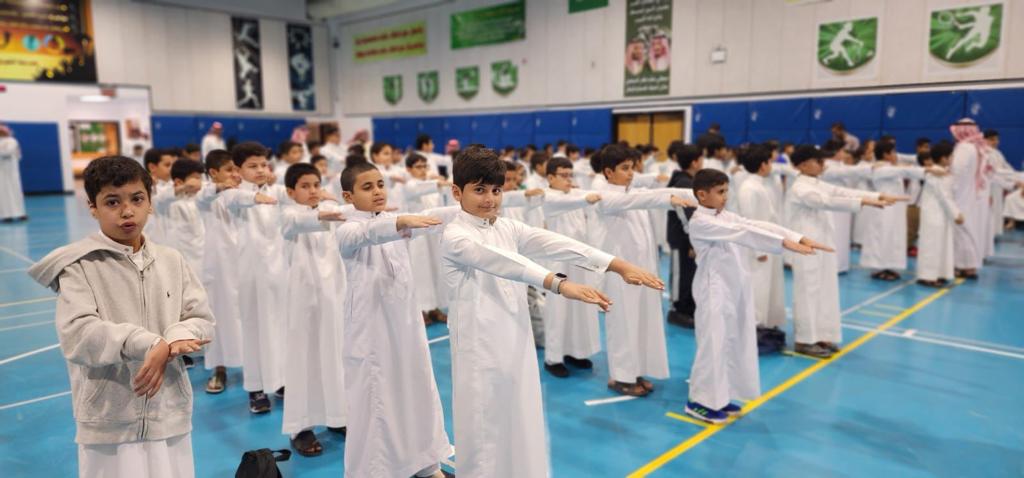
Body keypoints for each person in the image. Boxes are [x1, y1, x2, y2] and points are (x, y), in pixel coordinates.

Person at [440, 146, 664, 477]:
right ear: (457, 192)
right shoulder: (456, 235)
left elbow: (553, 242)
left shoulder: (505, 226)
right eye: (479, 190)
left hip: (515, 337)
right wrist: (559, 283)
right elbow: (505, 262)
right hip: (479, 347)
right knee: (485, 425)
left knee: (520, 415)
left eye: (496, 190)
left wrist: (617, 265)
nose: (489, 199)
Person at [27, 156, 214, 478]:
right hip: (109, 420)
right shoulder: (79, 267)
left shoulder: (172, 260)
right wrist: (146, 343)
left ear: (150, 202)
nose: (127, 211)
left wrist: (179, 335)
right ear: (93, 208)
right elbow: (79, 334)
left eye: (137, 199)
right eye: (112, 202)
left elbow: (200, 316)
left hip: (168, 411)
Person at [335, 161, 453, 478]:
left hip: (406, 326)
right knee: (376, 399)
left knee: (416, 388)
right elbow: (367, 233)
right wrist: (400, 220)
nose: (377, 192)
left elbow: (434, 220)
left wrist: (470, 206)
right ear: (348, 196)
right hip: (371, 332)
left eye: (380, 184)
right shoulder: (347, 228)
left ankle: (426, 463)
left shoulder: (391, 220)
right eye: (367, 187)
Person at [687, 168, 824, 423]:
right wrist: (783, 244)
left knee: (731, 341)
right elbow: (744, 234)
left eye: (727, 191)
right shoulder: (701, 221)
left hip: (733, 288)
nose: (725, 196)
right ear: (702, 195)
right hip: (713, 290)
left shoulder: (724, 215)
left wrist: (795, 235)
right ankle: (699, 401)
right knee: (712, 344)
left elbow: (752, 224)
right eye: (720, 192)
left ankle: (721, 396)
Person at [595, 144, 695, 396]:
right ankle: (621, 377)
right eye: (625, 168)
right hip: (619, 273)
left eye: (632, 167)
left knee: (640, 322)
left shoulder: (632, 191)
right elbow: (641, 199)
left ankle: (635, 370)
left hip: (641, 271)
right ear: (608, 171)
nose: (631, 173)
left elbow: (658, 191)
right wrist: (666, 199)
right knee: (623, 323)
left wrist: (697, 191)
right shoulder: (604, 194)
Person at [785, 145, 897, 358]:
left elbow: (841, 191)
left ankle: (822, 335)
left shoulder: (816, 183)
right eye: (818, 160)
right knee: (808, 292)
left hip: (824, 245)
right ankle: (804, 340)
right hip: (806, 247)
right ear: (802, 164)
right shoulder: (800, 187)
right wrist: (863, 201)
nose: (823, 164)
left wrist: (877, 195)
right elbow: (826, 201)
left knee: (826, 291)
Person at [279, 163, 349, 456]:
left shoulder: (330, 212)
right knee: (304, 358)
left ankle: (337, 416)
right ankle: (301, 427)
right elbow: (297, 223)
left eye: (316, 185)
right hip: (303, 303)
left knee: (335, 354)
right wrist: (333, 211)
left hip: (333, 298)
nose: (312, 191)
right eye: (305, 186)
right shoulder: (288, 215)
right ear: (290, 191)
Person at [222, 142, 290, 413]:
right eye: (253, 166)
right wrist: (254, 197)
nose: (261, 170)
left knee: (281, 326)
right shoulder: (233, 195)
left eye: (263, 165)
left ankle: (282, 378)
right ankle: (256, 388)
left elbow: (299, 196)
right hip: (251, 274)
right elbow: (234, 200)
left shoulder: (278, 191)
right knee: (254, 328)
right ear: (238, 170)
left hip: (280, 271)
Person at [540, 156, 604, 377]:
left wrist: (583, 195)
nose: (568, 180)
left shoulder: (573, 194)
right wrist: (586, 197)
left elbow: (581, 199)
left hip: (579, 261)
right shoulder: (548, 197)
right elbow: (574, 201)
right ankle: (553, 357)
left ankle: (576, 351)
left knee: (580, 308)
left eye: (570, 175)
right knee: (558, 311)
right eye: (563, 176)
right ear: (550, 177)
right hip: (559, 263)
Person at [194, 150, 244, 394]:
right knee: (219, 317)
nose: (235, 175)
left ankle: (258, 372)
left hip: (245, 263)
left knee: (249, 316)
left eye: (237, 169)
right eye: (229, 170)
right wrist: (221, 186)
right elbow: (202, 196)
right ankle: (219, 369)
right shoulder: (208, 196)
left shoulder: (243, 194)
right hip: (220, 267)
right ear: (213, 173)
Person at [860, 142, 938, 281]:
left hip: (895, 210)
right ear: (886, 155)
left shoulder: (890, 168)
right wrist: (927, 170)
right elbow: (903, 170)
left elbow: (903, 168)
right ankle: (878, 268)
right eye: (893, 152)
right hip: (883, 209)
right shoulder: (881, 169)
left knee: (893, 237)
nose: (896, 155)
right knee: (882, 238)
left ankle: (889, 266)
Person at [736, 145, 790, 332]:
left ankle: (767, 324)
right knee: (758, 289)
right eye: (769, 162)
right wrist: (757, 250)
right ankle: (754, 328)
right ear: (762, 165)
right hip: (759, 248)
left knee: (770, 289)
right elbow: (750, 221)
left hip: (769, 244)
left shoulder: (760, 185)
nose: (771, 165)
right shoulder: (750, 188)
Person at [404, 153, 451, 324]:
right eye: (418, 167)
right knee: (421, 272)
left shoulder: (432, 187)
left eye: (425, 166)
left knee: (436, 271)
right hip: (418, 237)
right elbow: (421, 188)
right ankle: (421, 310)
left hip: (434, 235)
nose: (423, 170)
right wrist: (437, 182)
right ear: (409, 169)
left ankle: (436, 307)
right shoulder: (409, 185)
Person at [949, 119, 991, 279]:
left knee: (961, 230)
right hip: (971, 194)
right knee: (970, 230)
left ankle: (963, 266)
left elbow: (956, 172)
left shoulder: (964, 148)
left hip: (960, 194)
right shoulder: (976, 147)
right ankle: (970, 265)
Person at [916, 142, 963, 287]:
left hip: (942, 214)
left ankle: (940, 273)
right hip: (933, 215)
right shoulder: (934, 173)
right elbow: (944, 196)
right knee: (932, 245)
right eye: (951, 156)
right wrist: (956, 214)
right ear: (943, 158)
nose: (952, 158)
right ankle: (927, 276)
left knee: (942, 245)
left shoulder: (943, 172)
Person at [666, 143, 701, 328]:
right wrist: (692, 240)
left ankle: (687, 306)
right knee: (681, 275)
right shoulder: (683, 183)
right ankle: (676, 310)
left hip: (688, 238)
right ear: (695, 162)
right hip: (682, 239)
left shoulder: (688, 180)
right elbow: (684, 214)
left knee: (689, 275)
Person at [165, 159, 206, 273]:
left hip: (201, 256)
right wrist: (184, 188)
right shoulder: (169, 203)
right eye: (196, 178)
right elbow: (160, 199)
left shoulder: (199, 199)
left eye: (200, 178)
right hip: (180, 259)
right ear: (178, 182)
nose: (200, 183)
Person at [142, 148, 177, 244]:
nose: (172, 168)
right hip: (152, 239)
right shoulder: (142, 188)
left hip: (174, 240)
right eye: (167, 165)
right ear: (152, 167)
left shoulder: (174, 184)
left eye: (173, 165)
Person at [0, 124, 27, 222]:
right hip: (1, 173)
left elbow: (11, 153)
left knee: (15, 191)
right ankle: (6, 215)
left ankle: (20, 213)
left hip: (12, 171)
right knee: (3, 193)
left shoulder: (12, 141)